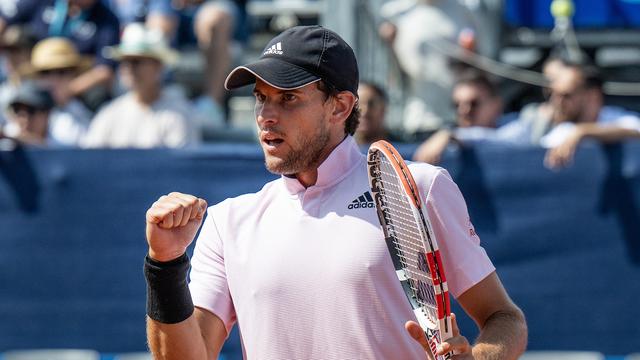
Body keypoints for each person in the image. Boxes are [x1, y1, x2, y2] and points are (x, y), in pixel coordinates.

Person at [143, 25, 527, 359]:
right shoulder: (228, 222)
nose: (265, 116)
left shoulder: (421, 187)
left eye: (287, 97)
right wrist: (165, 264)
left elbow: (504, 319)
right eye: (260, 97)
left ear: (340, 106)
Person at [83, 23, 201, 148]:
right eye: (125, 61)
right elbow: (91, 160)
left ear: (158, 66)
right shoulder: (109, 114)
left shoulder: (178, 115)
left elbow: (181, 166)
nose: (128, 68)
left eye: (136, 61)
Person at [0, 0, 121, 110]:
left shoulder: (107, 20)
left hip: (74, 85)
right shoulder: (40, 3)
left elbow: (105, 70)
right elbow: (4, 22)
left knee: (98, 97)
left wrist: (69, 90)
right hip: (32, 76)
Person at [413, 70, 511, 164]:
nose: (462, 111)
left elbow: (501, 139)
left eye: (473, 103)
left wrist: (450, 135)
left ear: (496, 105)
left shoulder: (515, 129)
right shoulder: (445, 142)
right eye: (456, 105)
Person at [1, 81, 56, 146]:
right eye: (17, 110)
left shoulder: (62, 135)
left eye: (31, 111)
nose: (23, 119)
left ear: (47, 114)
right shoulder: (7, 139)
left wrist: (11, 137)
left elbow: (46, 146)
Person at [354, 80, 390, 145]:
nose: (364, 111)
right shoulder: (339, 149)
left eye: (371, 104)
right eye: (357, 104)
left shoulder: (404, 148)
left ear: (383, 109)